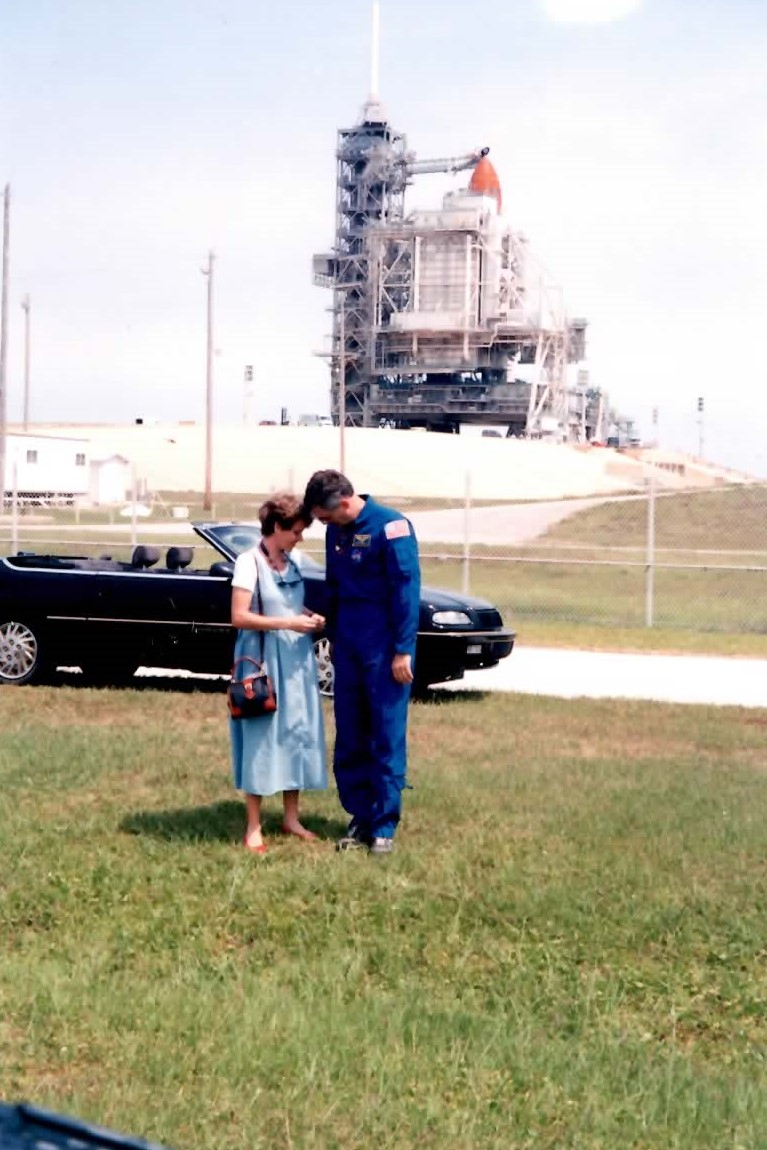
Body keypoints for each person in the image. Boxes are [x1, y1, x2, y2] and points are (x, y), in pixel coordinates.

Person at [303, 469, 421, 855]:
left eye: (324, 515)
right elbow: (334, 588)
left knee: (385, 734)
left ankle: (384, 825)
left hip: (385, 647)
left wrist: (403, 649)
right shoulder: (334, 532)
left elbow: (406, 591)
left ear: (342, 503)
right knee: (351, 735)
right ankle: (359, 816)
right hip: (349, 644)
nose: (322, 523)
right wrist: (333, 636)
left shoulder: (392, 527)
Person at [229, 493, 327, 854]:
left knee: (295, 732)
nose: (299, 538)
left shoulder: (294, 560)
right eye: (296, 531)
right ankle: (253, 825)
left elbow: (289, 604)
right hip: (261, 661)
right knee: (261, 734)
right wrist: (288, 622)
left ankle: (291, 817)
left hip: (296, 660)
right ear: (276, 527)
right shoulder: (248, 562)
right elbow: (239, 616)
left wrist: (307, 616)